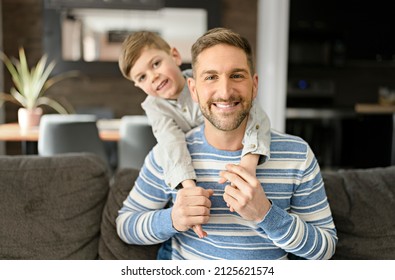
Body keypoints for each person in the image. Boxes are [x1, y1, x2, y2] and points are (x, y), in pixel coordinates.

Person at [117, 27, 337, 260]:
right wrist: (173, 218)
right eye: (211, 77)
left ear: (254, 85)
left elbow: (325, 249)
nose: (224, 92)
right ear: (194, 88)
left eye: (237, 75)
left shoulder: (297, 154)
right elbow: (125, 225)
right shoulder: (167, 155)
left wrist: (266, 214)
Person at [118, 31, 271, 238]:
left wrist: (249, 163)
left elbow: (255, 115)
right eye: (142, 77)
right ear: (138, 86)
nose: (153, 77)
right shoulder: (155, 107)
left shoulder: (207, 82)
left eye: (155, 64)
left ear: (175, 56)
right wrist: (189, 191)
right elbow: (171, 142)